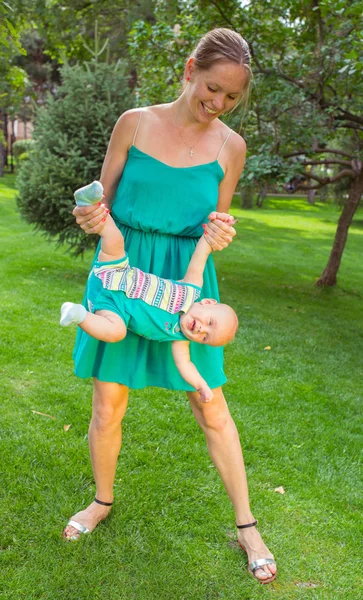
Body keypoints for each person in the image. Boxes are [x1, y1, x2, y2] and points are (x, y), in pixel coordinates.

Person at [64, 27, 277, 584]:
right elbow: (98, 201)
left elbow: (216, 223)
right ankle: (103, 502)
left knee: (211, 404)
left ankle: (246, 524)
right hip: (123, 269)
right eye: (213, 88)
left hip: (188, 283)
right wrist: (89, 215)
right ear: (189, 69)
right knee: (109, 403)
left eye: (232, 97)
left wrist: (220, 236)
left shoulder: (232, 147)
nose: (219, 104)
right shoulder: (133, 123)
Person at [61, 191, 238, 403]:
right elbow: (201, 255)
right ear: (208, 302)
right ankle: (90, 203)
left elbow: (186, 365)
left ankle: (78, 314)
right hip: (116, 270)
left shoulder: (178, 336)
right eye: (210, 322)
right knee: (114, 238)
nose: (202, 330)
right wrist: (217, 227)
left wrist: (201, 385)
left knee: (115, 331)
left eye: (206, 337)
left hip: (111, 305)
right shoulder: (191, 289)